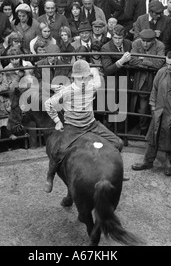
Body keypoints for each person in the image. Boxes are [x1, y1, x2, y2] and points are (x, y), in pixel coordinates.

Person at [43, 59, 124, 193]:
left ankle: (116, 171)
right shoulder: (66, 91)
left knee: (119, 143)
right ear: (73, 77)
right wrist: (57, 121)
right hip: (72, 127)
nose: (83, 81)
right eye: (79, 78)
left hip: (91, 124)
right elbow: (48, 104)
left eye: (85, 78)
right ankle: (49, 176)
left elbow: (97, 78)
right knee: (57, 152)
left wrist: (94, 70)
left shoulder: (92, 85)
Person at [132, 50, 171, 175]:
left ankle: (168, 163)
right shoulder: (162, 72)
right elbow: (154, 90)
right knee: (152, 138)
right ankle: (147, 161)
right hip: (159, 112)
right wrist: (152, 106)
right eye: (167, 63)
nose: (168, 67)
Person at [129, 29, 166, 136]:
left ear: (153, 40)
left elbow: (159, 63)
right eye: (143, 41)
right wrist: (149, 62)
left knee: (154, 105)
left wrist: (142, 59)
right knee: (141, 106)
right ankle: (142, 129)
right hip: (139, 79)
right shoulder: (136, 43)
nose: (145, 44)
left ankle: (152, 130)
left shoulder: (160, 45)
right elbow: (131, 60)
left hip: (155, 79)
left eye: (148, 41)